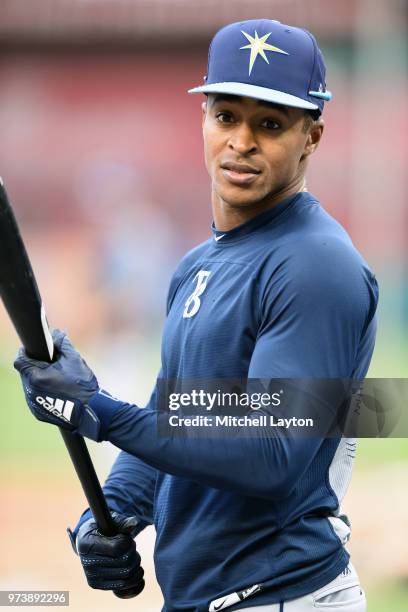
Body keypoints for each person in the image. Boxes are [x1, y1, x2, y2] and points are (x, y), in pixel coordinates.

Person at [14, 19, 378, 612]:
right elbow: (176, 413)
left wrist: (95, 411)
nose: (242, 142)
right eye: (227, 116)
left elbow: (272, 456)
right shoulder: (196, 266)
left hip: (282, 595)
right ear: (203, 118)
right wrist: (113, 511)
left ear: (312, 136)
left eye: (270, 124)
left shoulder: (315, 265)